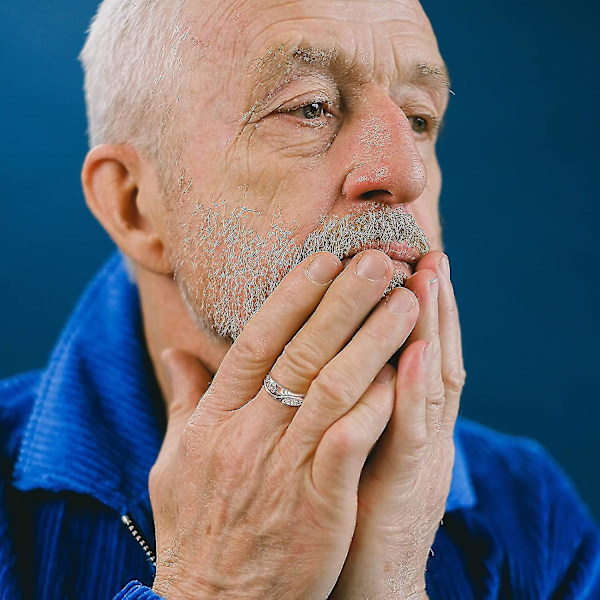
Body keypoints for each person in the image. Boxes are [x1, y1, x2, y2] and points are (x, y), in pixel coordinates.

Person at [0, 0, 598, 597]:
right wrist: (213, 587)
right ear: (134, 205)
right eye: (310, 108)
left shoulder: (534, 514)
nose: (405, 172)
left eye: (418, 118)